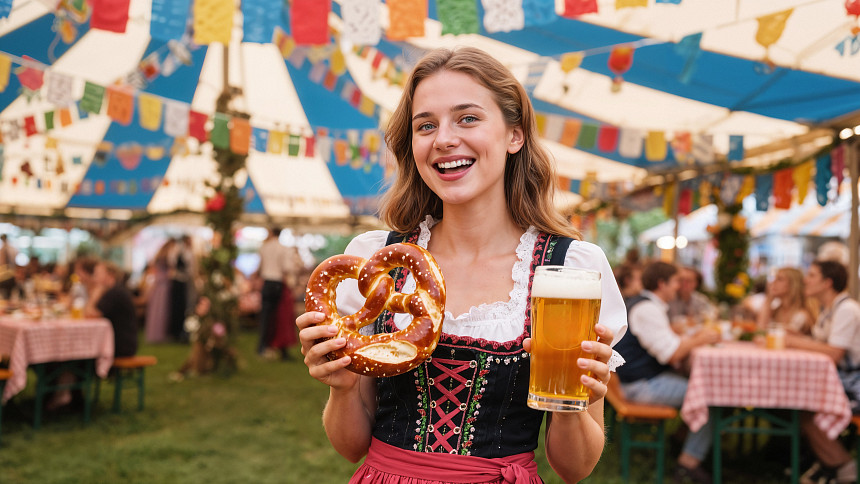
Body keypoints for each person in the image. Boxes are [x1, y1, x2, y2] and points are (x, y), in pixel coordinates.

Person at [297, 47, 627, 483]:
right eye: (426, 125)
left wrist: (577, 400)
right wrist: (341, 390)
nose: (444, 139)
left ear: (515, 135)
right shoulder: (377, 262)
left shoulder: (569, 273)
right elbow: (350, 446)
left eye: (467, 118)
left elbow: (574, 467)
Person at [614, 260, 721, 483]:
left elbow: (668, 345)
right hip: (639, 386)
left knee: (698, 386)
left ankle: (681, 440)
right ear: (662, 284)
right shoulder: (647, 309)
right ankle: (687, 464)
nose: (679, 287)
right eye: (676, 282)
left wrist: (687, 338)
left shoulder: (647, 305)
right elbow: (670, 354)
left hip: (639, 380)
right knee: (708, 398)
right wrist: (700, 338)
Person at [787, 260, 860, 484]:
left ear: (827, 283)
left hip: (855, 384)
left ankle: (842, 466)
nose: (806, 280)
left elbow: (834, 353)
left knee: (805, 403)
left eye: (811, 276)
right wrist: (798, 338)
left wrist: (793, 341)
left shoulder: (847, 309)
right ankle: (825, 464)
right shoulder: (829, 308)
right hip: (842, 379)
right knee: (797, 397)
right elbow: (823, 343)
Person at [84, 260, 138, 358]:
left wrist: (94, 296)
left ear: (110, 275)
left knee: (83, 351)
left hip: (121, 346)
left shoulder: (115, 293)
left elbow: (90, 315)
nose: (94, 277)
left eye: (98, 274)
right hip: (115, 341)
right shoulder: (112, 290)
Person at [256, 227, 291, 357]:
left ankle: (263, 346)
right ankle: (280, 348)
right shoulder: (283, 248)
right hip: (277, 283)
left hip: (266, 282)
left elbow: (259, 266)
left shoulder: (264, 247)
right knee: (279, 316)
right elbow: (286, 268)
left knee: (265, 315)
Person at [756, 267, 816, 335]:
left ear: (793, 285)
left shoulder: (801, 315)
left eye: (779, 279)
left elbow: (783, 338)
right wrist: (769, 299)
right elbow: (759, 330)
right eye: (774, 278)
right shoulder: (777, 310)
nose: (773, 283)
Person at [0, 234, 18, 299]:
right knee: (5, 293)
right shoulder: (10, 248)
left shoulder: (10, 248)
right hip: (6, 274)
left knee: (8, 293)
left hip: (9, 274)